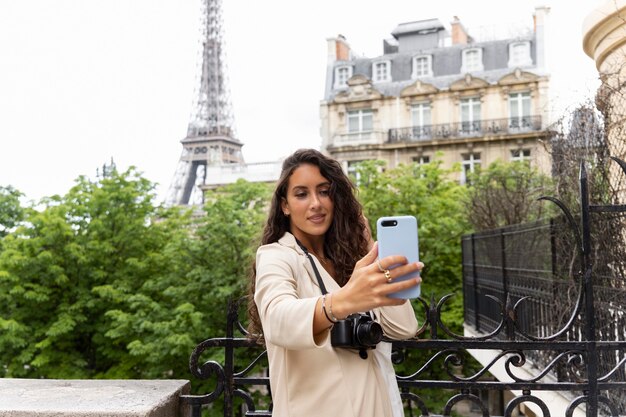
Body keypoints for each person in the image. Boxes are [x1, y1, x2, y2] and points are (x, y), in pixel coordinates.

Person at [248, 149, 423, 417]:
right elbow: (277, 319)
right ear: (285, 205)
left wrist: (367, 248)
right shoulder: (276, 255)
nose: (316, 203)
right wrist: (342, 302)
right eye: (302, 194)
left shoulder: (350, 261)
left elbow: (404, 327)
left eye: (324, 191)